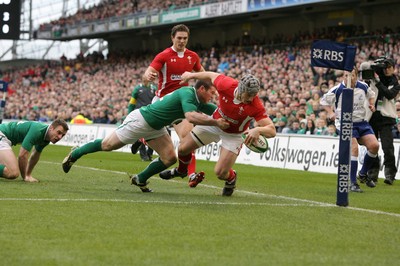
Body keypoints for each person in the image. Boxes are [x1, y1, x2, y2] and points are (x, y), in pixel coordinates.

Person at [61, 80, 229, 193]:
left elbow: (218, 113)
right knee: (108, 145)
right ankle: (75, 153)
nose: (212, 97)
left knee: (170, 158)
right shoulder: (187, 93)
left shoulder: (200, 100)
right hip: (141, 120)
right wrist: (217, 123)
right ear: (201, 89)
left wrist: (240, 123)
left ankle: (140, 179)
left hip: (156, 127)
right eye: (212, 93)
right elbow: (191, 117)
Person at [159, 71, 276, 196]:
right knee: (183, 149)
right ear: (240, 89)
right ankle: (181, 171)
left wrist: (258, 130)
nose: (251, 99)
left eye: (254, 95)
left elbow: (272, 130)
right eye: (248, 95)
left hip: (234, 135)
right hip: (215, 123)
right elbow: (210, 75)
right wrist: (191, 75)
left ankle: (231, 178)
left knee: (220, 173)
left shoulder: (255, 105)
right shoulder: (227, 85)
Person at [143, 24, 205, 178]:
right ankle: (142, 138)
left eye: (185, 38)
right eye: (179, 38)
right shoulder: (163, 55)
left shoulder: (193, 56)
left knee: (188, 139)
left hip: (181, 104)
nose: (182, 41)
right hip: (162, 103)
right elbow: (147, 74)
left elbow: (203, 74)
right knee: (145, 131)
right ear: (172, 38)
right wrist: (148, 76)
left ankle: (190, 175)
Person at [320, 66, 379, 192]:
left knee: (374, 146)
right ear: (343, 76)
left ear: (356, 76)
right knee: (354, 147)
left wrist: (372, 104)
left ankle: (362, 174)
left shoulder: (363, 86)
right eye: (346, 75)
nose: (349, 78)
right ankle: (353, 183)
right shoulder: (338, 89)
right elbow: (324, 101)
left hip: (361, 123)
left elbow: (371, 94)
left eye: (352, 75)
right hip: (344, 122)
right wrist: (331, 113)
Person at [363, 58, 400, 185]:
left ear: (394, 68)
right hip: (372, 117)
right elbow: (364, 67)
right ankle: (372, 173)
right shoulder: (372, 80)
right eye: (385, 67)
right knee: (372, 148)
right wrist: (373, 67)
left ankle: (390, 174)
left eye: (389, 67)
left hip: (386, 119)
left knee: (387, 147)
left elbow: (389, 94)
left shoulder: (395, 82)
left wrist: (378, 82)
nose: (387, 69)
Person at [0, 119, 69, 182]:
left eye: (62, 135)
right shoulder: (37, 131)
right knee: (13, 172)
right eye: (58, 132)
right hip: (2, 134)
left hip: (4, 138)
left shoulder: (46, 138)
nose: (60, 137)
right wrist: (25, 177)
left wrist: (28, 174)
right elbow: (22, 155)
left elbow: (35, 155)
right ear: (51, 128)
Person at [128, 79, 157, 161]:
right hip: (140, 114)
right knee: (141, 134)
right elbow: (132, 103)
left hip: (151, 113)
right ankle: (143, 155)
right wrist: (129, 114)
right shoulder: (137, 89)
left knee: (153, 135)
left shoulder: (154, 88)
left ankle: (149, 154)